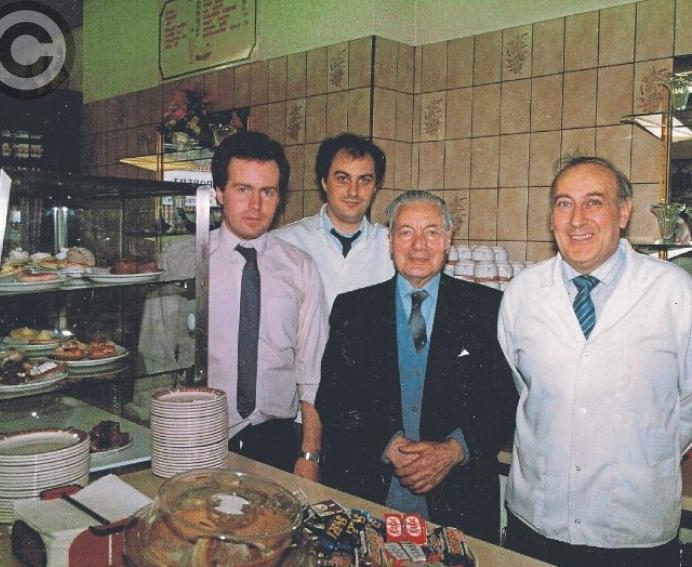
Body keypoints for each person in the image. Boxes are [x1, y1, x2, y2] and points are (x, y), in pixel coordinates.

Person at [498, 156, 692, 567]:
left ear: (623, 212)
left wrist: (644, 454)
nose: (577, 219)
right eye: (564, 203)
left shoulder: (674, 292)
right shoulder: (523, 293)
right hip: (536, 522)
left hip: (632, 533)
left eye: (594, 202)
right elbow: (525, 388)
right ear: (552, 218)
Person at [316, 190, 518, 543]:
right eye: (406, 232)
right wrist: (387, 443)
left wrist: (455, 450)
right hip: (371, 493)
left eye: (432, 232)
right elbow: (333, 397)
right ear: (390, 239)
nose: (419, 245)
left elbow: (505, 399)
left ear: (449, 239)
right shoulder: (354, 309)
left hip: (459, 500)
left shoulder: (488, 308)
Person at [140, 132, 328, 481]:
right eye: (243, 189)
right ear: (219, 192)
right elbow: (155, 358)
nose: (255, 206)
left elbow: (312, 371)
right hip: (195, 437)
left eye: (267, 192)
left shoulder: (300, 267)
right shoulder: (182, 261)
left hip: (275, 442)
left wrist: (309, 454)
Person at [272, 132, 394, 308]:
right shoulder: (283, 243)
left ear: (375, 187)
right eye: (343, 179)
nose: (353, 191)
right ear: (324, 182)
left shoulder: (392, 244)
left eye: (364, 180)